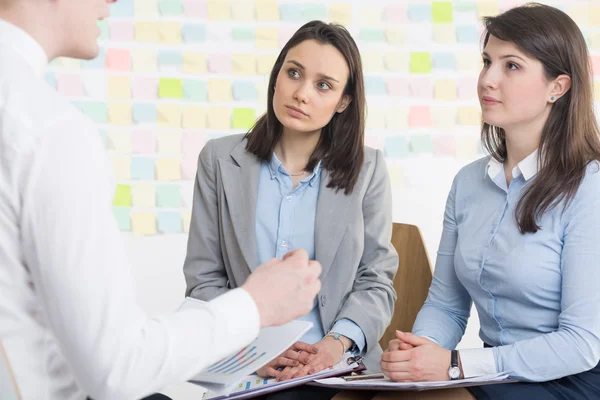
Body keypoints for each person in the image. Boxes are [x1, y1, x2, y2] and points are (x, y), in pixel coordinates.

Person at [0, 1, 323, 399]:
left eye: (324, 84)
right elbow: (118, 370)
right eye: (294, 74)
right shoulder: (49, 132)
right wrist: (256, 305)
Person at [332, 3, 600, 400]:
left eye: (511, 66)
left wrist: (455, 365)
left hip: (571, 380)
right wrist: (415, 353)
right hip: (494, 373)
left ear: (557, 87)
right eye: (487, 61)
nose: (487, 79)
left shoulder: (588, 189)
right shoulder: (468, 183)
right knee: (354, 396)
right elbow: (447, 306)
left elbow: (581, 343)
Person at [183, 20, 398, 399]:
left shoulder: (368, 169)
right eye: (294, 73)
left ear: (343, 101)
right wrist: (253, 348)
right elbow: (204, 281)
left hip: (335, 368)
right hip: (248, 362)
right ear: (276, 77)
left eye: (323, 85)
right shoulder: (219, 159)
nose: (301, 93)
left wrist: (336, 344)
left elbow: (375, 280)